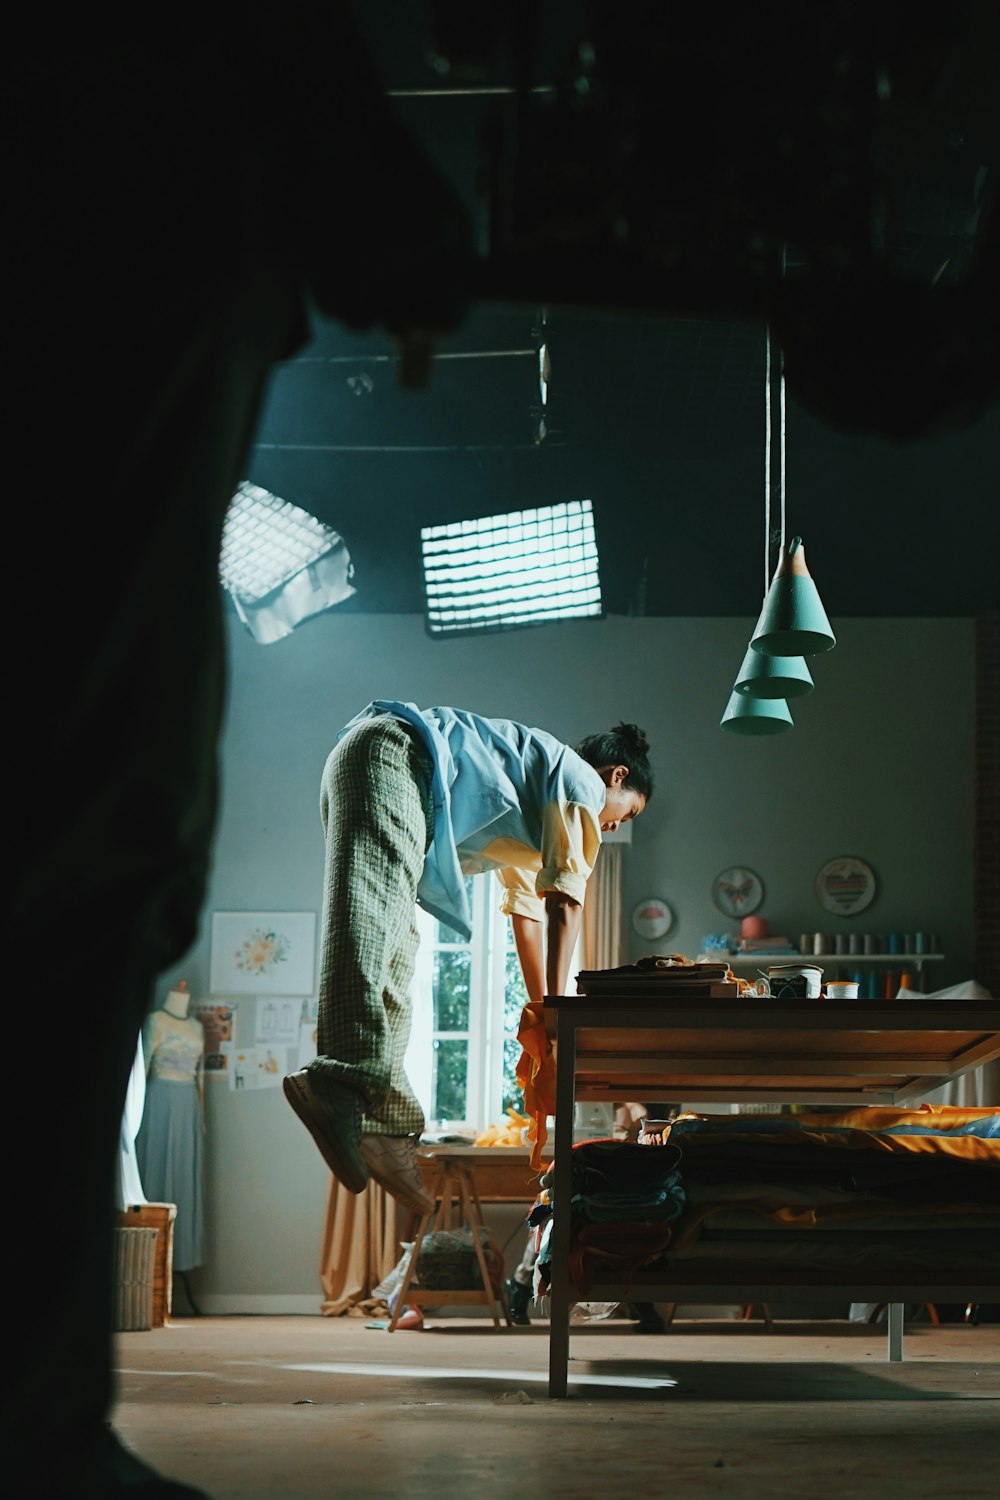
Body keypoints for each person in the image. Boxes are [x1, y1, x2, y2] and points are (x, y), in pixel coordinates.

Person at [8, 8, 475, 1496]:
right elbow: (385, 227)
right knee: (89, 867)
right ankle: (35, 1437)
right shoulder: (205, 57)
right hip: (113, 449)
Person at [283, 704, 654, 1214]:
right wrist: (561, 1009)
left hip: (386, 767)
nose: (615, 828)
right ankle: (342, 1079)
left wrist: (544, 1009)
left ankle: (383, 1126)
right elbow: (565, 905)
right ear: (617, 777)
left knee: (396, 952)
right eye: (628, 813)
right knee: (369, 922)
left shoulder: (540, 809)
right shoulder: (580, 786)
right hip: (395, 756)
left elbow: (528, 915)